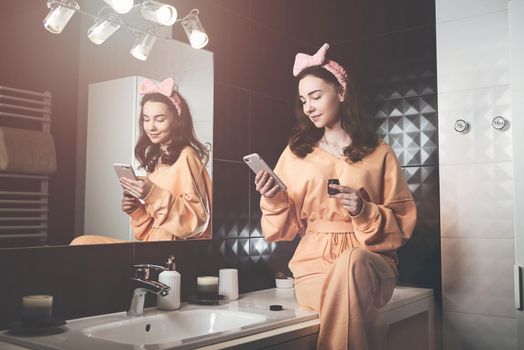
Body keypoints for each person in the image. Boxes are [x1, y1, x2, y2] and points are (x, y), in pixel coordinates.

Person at [254, 43, 416, 349]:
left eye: (316, 96)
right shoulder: (295, 153)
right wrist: (272, 198)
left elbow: (402, 223)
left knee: (352, 262)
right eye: (303, 100)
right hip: (313, 264)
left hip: (371, 260)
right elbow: (280, 231)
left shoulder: (379, 151)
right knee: (347, 300)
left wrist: (364, 210)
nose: (309, 107)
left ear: (341, 92)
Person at [71, 77, 211, 244]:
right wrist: (136, 210)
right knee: (82, 242)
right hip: (150, 246)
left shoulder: (187, 156)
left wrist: (152, 193)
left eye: (159, 119)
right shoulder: (158, 161)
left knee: (82, 245)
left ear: (177, 120)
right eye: (146, 119)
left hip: (172, 254)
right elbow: (148, 231)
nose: (150, 127)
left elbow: (196, 221)